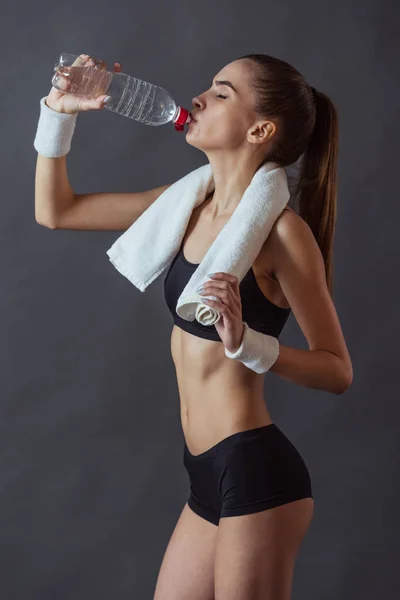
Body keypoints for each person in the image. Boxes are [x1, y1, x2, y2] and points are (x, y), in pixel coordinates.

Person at [34, 53, 353, 600]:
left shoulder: (281, 235)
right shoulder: (185, 203)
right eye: (208, 87)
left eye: (222, 93)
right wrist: (59, 112)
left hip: (256, 472)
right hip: (204, 473)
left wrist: (248, 343)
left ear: (260, 130)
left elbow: (337, 371)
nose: (199, 99)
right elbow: (56, 210)